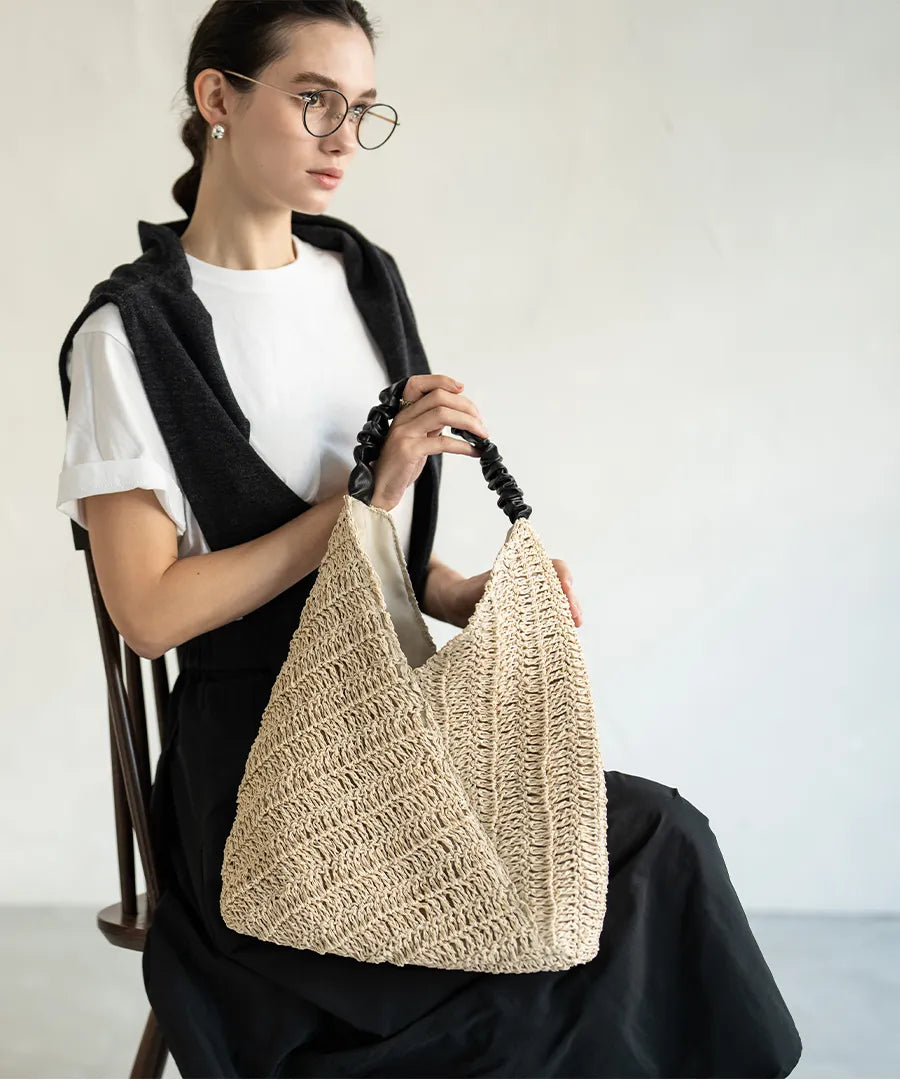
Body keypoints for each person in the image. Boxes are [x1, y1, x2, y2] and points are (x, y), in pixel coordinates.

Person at [54, 2, 804, 1076]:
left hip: (401, 717)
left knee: (652, 844)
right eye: (314, 100)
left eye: (363, 110)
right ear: (218, 98)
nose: (342, 139)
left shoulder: (362, 276)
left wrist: (454, 593)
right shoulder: (130, 337)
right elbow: (149, 611)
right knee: (556, 908)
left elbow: (375, 572)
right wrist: (360, 508)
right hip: (266, 781)